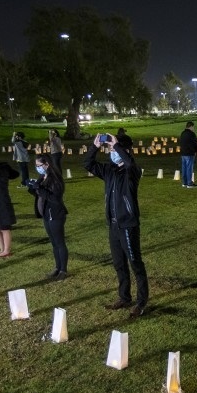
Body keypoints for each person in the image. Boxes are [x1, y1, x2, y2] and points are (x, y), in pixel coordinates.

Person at [84, 131, 150, 318]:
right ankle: (124, 296)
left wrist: (117, 146)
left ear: (125, 150)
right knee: (119, 263)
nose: (111, 152)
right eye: (110, 149)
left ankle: (141, 301)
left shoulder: (132, 171)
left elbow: (130, 163)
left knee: (135, 263)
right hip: (113, 226)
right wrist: (95, 147)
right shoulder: (109, 171)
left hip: (128, 225)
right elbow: (87, 164)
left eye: (113, 149)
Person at [28, 153, 69, 280]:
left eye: (39, 165)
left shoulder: (55, 179)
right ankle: (57, 267)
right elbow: (39, 194)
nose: (37, 167)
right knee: (54, 243)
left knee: (59, 242)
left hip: (55, 214)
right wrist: (32, 187)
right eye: (36, 165)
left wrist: (39, 189)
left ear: (47, 164)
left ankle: (63, 270)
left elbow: (55, 198)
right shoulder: (42, 177)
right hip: (46, 214)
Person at [179, 121, 197, 188]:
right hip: (189, 153)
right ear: (191, 126)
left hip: (183, 153)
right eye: (193, 127)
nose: (194, 128)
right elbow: (195, 143)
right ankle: (189, 183)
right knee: (189, 168)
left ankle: (185, 182)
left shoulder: (182, 133)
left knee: (184, 168)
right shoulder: (192, 134)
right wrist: (195, 151)